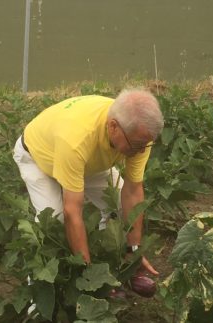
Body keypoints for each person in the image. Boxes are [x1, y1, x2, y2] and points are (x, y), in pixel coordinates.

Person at [13, 88, 164, 293]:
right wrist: (89, 280)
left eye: (146, 145)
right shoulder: (77, 138)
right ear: (113, 127)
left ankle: (109, 264)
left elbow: (132, 192)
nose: (141, 151)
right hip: (39, 158)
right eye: (137, 145)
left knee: (118, 205)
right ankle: (37, 290)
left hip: (85, 161)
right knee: (53, 221)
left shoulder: (138, 135)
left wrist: (133, 250)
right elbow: (72, 212)